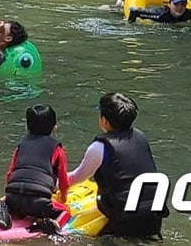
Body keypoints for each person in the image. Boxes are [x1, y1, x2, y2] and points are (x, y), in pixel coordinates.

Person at [67, 93, 169, 238]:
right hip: (155, 211)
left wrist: (54, 182)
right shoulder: (141, 137)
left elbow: (79, 177)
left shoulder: (99, 147)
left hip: (125, 217)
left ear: (104, 121)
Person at [0, 105, 72, 235]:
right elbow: (64, 181)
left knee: (10, 202)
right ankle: (54, 223)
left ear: (27, 127)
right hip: (39, 203)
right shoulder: (56, 149)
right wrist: (63, 198)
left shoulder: (21, 145)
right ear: (54, 127)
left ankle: (4, 206)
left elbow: (10, 175)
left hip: (13, 196)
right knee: (65, 211)